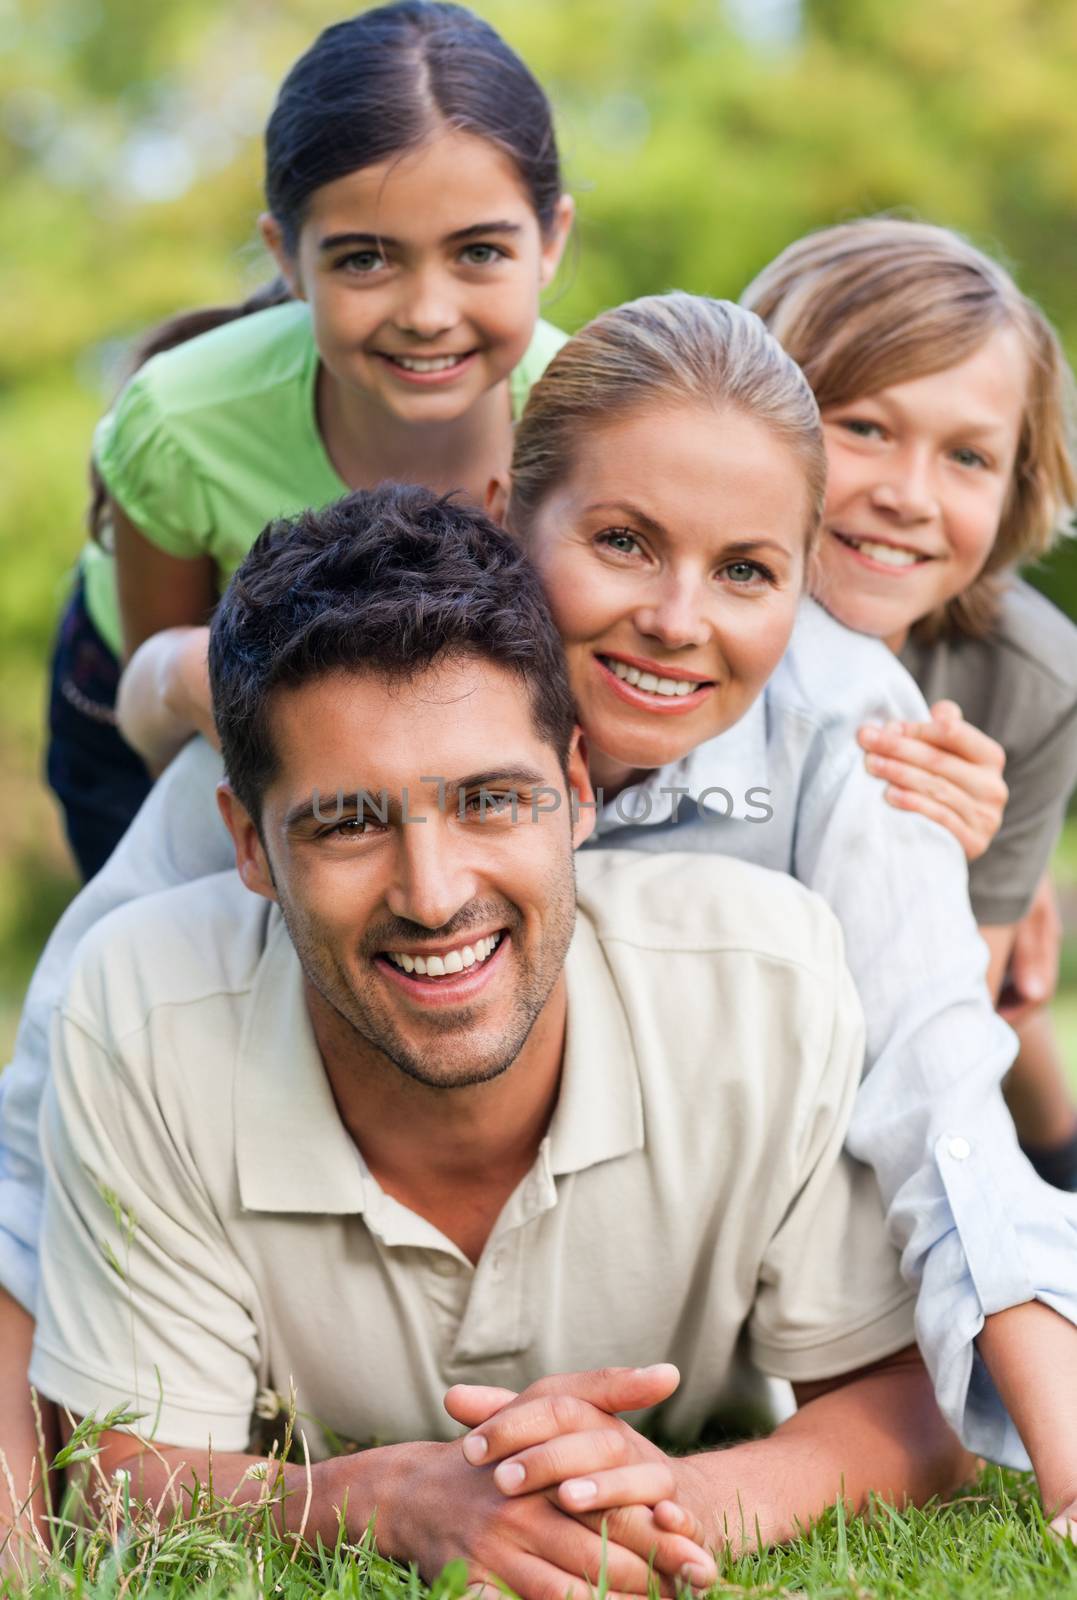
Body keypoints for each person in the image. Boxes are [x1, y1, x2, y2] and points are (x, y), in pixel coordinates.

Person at [4, 297, 1075, 1542]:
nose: (678, 618)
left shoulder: (844, 736)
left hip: (687, 1282)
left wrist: (1056, 1458)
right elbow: (43, 1141)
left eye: (744, 569)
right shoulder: (323, 711)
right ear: (511, 506)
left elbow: (939, 1090)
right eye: (623, 542)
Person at [45, 0, 572, 880]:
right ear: (286, 258)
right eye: (364, 259)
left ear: (550, 242)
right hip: (164, 698)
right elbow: (167, 706)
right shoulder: (182, 421)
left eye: (478, 252)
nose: (428, 314)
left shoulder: (586, 426)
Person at [741, 218, 1077, 1194]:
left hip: (887, 1088)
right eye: (865, 429)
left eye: (968, 459)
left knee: (1017, 1035)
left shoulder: (1028, 675)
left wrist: (938, 859)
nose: (908, 495)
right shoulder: (652, 622)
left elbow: (931, 1055)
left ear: (1016, 485)